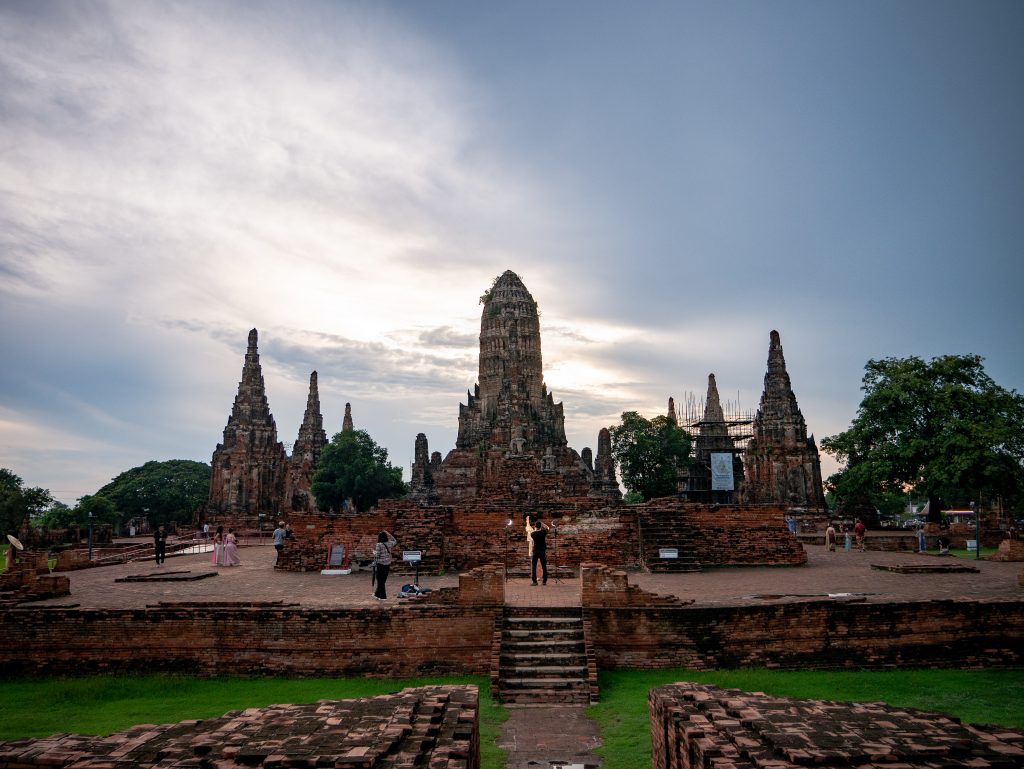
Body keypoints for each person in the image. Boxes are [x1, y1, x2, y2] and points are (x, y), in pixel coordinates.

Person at [372, 530, 397, 600]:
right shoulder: (389, 543)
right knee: (382, 580)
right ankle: (377, 594)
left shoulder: (378, 545)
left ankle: (383, 596)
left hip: (380, 564)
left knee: (380, 580)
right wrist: (389, 534)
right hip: (387, 564)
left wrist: (374, 552)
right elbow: (395, 541)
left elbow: (378, 555)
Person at [529, 515, 549, 585]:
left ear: (535, 526)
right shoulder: (543, 532)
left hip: (535, 551)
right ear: (540, 526)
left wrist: (536, 526)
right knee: (544, 566)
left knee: (534, 566)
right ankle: (544, 581)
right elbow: (547, 528)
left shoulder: (533, 534)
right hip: (542, 551)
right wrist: (542, 523)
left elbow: (535, 530)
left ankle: (534, 581)